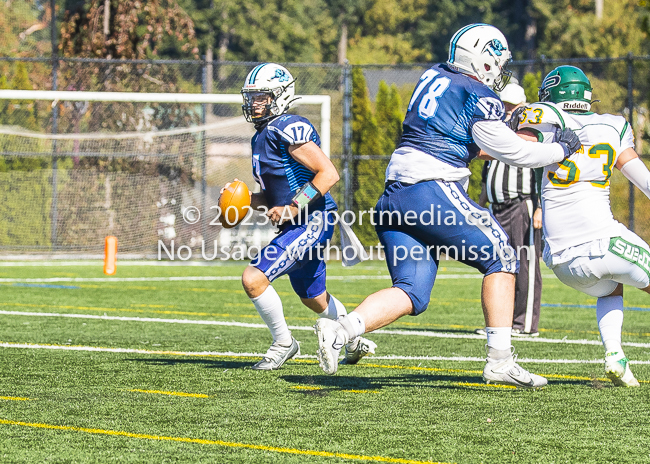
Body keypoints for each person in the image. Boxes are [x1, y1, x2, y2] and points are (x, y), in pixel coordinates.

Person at [314, 24, 582, 388]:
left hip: (395, 195)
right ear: (484, 61)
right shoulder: (477, 92)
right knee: (503, 255)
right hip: (431, 188)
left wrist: (510, 130)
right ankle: (500, 360)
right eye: (499, 62)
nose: (501, 71)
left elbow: (474, 141)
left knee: (411, 292)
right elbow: (514, 152)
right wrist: (560, 148)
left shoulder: (434, 75)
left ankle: (340, 330)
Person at [221, 63, 376, 370]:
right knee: (314, 298)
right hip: (298, 221)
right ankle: (353, 340)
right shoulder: (260, 137)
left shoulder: (288, 126)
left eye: (261, 97)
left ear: (280, 96)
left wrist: (293, 207)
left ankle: (284, 343)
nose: (254, 104)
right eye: (251, 97)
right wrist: (245, 201)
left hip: (312, 218)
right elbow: (275, 194)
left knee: (253, 278)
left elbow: (328, 173)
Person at [516, 65, 650, 386]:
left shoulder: (544, 117)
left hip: (562, 262)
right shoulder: (612, 126)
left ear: (551, 95)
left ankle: (615, 355)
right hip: (605, 244)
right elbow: (644, 182)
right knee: (619, 271)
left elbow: (515, 146)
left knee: (611, 287)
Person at [477, 82, 543, 337]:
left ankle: (523, 324)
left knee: (525, 263)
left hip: (522, 206)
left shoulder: (531, 130)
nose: (507, 110)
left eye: (512, 106)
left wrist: (540, 209)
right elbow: (488, 174)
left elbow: (541, 173)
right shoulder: (497, 129)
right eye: (504, 105)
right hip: (497, 208)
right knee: (498, 264)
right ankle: (499, 324)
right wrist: (480, 205)